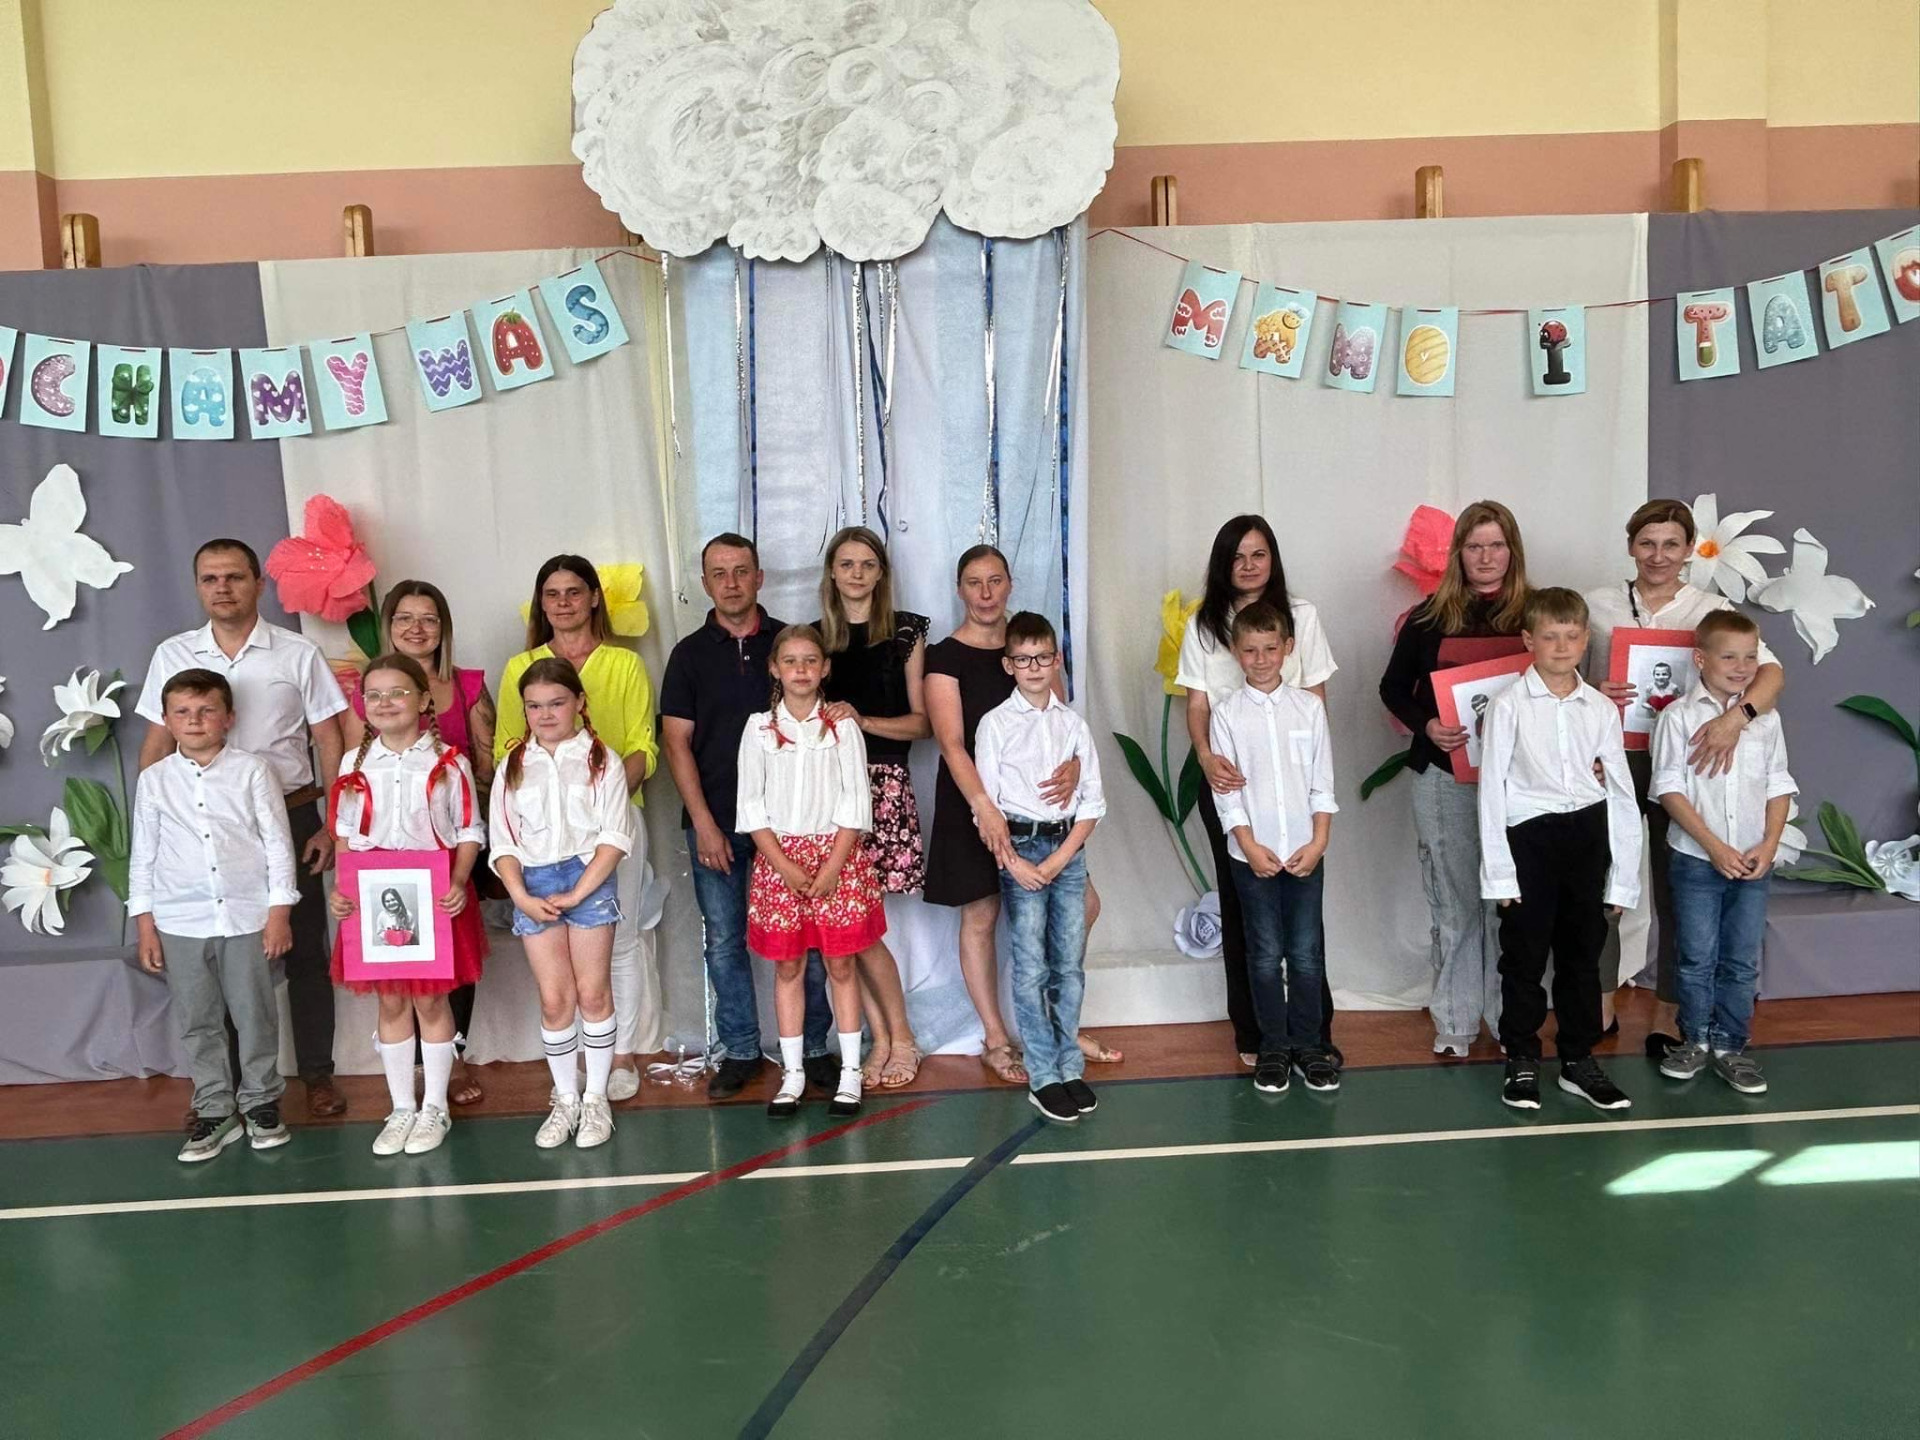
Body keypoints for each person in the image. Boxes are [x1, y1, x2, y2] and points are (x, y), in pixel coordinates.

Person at [136, 538, 349, 1118]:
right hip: (205, 823)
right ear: (198, 587)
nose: (222, 587)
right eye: (210, 578)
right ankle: (221, 1092)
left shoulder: (297, 653)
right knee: (216, 954)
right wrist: (157, 821)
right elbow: (155, 745)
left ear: (259, 584)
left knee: (303, 949)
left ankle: (317, 1076)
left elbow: (328, 737)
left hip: (292, 813)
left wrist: (330, 825)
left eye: (234, 576)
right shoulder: (173, 654)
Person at [1583, 498, 1787, 1047]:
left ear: (1689, 550)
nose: (1659, 555)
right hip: (1612, 759)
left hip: (1692, 762)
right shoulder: (1596, 605)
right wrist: (1595, 690)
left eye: (1671, 544)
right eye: (1647, 543)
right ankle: (1599, 1005)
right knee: (1604, 883)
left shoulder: (1711, 607)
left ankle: (1671, 1013)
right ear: (1630, 545)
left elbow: (1771, 673)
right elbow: (1561, 678)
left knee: (1679, 889)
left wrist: (1735, 720)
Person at [924, 544, 1111, 1084]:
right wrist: (985, 809)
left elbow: (1062, 720)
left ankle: (1056, 1027)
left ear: (1010, 584)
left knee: (1082, 905)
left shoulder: (1031, 645)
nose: (986, 593)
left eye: (995, 581)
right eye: (974, 582)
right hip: (973, 799)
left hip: (1040, 808)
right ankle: (996, 1038)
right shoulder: (945, 656)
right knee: (981, 916)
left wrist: (1076, 767)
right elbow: (951, 742)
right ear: (960, 589)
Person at [661, 535, 836, 1101]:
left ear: (759, 577)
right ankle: (739, 1050)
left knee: (807, 940)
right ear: (705, 583)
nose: (731, 582)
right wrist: (703, 823)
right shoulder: (688, 655)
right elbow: (676, 743)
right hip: (718, 824)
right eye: (719, 573)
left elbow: (822, 725)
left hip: (792, 828)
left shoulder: (789, 645)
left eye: (741, 571)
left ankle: (813, 1047)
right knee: (725, 940)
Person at [1178, 515, 1340, 1069]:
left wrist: (1311, 779)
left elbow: (1316, 696)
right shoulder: (1204, 623)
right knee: (1243, 906)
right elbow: (1197, 702)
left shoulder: (1302, 615)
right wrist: (1207, 759)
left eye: (1259, 554)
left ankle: (1313, 1034)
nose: (1248, 565)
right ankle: (1255, 1033)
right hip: (1228, 780)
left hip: (1290, 783)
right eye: (1237, 556)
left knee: (1303, 918)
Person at [496, 556, 660, 1099]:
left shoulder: (625, 664)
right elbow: (506, 748)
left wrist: (603, 796)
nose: (563, 602)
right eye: (552, 593)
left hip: (613, 823)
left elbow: (642, 745)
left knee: (621, 939)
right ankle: (573, 1075)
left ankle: (620, 1055)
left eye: (574, 591)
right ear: (541, 604)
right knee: (559, 964)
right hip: (543, 837)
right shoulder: (521, 667)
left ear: (593, 598)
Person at [1478, 588, 1641, 1113]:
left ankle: (1577, 1059)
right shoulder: (1508, 706)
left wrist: (1623, 878)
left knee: (1582, 957)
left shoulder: (1600, 708)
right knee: (1524, 958)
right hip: (1530, 839)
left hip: (1587, 838)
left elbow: (1620, 792)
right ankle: (1522, 1057)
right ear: (1529, 640)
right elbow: (1492, 791)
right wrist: (1500, 874)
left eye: (1572, 636)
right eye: (1550, 636)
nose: (1562, 646)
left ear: (1586, 638)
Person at [1378, 501, 1531, 1059]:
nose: (1486, 557)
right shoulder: (1427, 618)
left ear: (1512, 551)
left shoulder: (1537, 614)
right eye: (1474, 546)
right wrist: (1428, 725)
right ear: (1458, 554)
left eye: (1496, 545)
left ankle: (1510, 1020)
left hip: (1523, 783)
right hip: (1445, 777)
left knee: (1511, 903)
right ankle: (1456, 1020)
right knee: (1455, 900)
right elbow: (1393, 688)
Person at [130, 669, 299, 1163]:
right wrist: (145, 923)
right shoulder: (155, 780)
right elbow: (144, 855)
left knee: (254, 1014)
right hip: (179, 920)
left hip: (247, 916)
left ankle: (261, 1103)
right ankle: (214, 1109)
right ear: (167, 721)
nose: (194, 721)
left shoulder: (252, 772)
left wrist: (279, 912)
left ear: (229, 717)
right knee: (197, 1019)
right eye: (182, 712)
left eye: (206, 711)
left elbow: (277, 844)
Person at [340, 580, 497, 1106]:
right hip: (380, 869)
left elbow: (484, 769)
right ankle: (405, 1090)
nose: (416, 627)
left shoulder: (464, 697)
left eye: (428, 618)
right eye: (404, 617)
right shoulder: (365, 720)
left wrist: (457, 863)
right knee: (393, 986)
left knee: (445, 973)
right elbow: (352, 809)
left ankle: (446, 1072)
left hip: (445, 850)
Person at [327, 654, 487, 1156]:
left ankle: (434, 1106)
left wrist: (458, 879)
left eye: (397, 692)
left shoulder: (450, 762)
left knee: (430, 1001)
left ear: (422, 700)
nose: (385, 703)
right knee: (391, 1000)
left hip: (432, 895)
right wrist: (343, 888)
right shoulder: (354, 764)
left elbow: (468, 830)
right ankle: (401, 1107)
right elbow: (345, 832)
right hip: (375, 898)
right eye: (373, 695)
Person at [738, 625, 883, 1118]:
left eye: (810, 661)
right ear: (774, 668)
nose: (800, 670)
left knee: (841, 965)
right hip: (780, 861)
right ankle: (793, 1072)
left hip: (836, 858)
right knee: (789, 968)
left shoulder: (842, 727)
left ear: (825, 668)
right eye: (790, 661)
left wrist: (833, 866)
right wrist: (783, 866)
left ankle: (850, 1071)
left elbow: (855, 802)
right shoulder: (758, 729)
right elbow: (751, 806)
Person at [491, 658, 633, 1150]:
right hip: (532, 883)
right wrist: (520, 896)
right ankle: (566, 1098)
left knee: (593, 994)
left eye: (556, 703)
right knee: (555, 999)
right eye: (534, 706)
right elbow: (503, 842)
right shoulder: (512, 766)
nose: (546, 714)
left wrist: (578, 892)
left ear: (579, 703)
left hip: (588, 877)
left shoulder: (602, 760)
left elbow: (614, 837)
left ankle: (595, 1098)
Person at [1651, 611, 1795, 1095]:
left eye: (1750, 657)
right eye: (1729, 657)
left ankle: (1731, 1045)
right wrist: (1712, 847)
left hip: (1753, 862)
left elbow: (1778, 784)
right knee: (1695, 956)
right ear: (1700, 659)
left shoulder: (1766, 720)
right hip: (1696, 860)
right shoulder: (1677, 717)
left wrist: (1769, 845)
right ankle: (1693, 1039)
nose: (1742, 667)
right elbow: (1669, 789)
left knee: (1740, 959)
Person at [974, 612, 1106, 1124]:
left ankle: (1070, 1067)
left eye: (1043, 658)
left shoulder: (1073, 725)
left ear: (1056, 661)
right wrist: (1015, 863)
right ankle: (1043, 1074)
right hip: (1019, 852)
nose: (1034, 667)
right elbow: (987, 808)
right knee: (1031, 966)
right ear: (1009, 665)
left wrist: (1058, 859)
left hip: (1066, 851)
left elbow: (1092, 803)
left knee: (1068, 964)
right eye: (1023, 659)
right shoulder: (995, 725)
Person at [813, 526, 928, 1089]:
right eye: (846, 564)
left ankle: (899, 1037)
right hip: (829, 798)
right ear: (832, 573)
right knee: (845, 926)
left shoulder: (905, 632)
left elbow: (923, 724)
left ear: (881, 573)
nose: (856, 574)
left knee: (858, 927)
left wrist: (862, 721)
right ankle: (882, 1038)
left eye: (867, 564)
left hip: (882, 788)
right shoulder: (815, 640)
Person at [1207, 603, 1339, 1096]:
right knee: (1263, 955)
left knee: (1306, 954)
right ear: (1235, 652)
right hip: (1253, 856)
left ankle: (1309, 1046)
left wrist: (1319, 840)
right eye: (1250, 651)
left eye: (1270, 648)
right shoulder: (1226, 714)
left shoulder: (1309, 709)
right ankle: (1273, 1049)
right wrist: (1247, 844)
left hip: (1305, 852)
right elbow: (1227, 793)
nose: (1261, 659)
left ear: (1288, 648)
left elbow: (1322, 783)